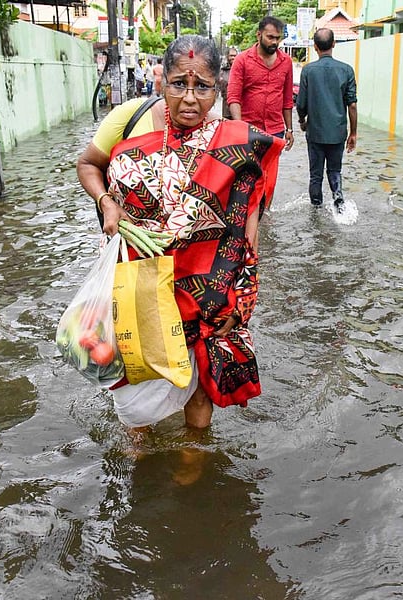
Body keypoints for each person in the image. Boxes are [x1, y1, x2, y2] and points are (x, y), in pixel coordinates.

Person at [77, 35, 285, 429]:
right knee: (135, 367)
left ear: (217, 87)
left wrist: (241, 297)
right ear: (161, 83)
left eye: (202, 87)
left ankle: (194, 460)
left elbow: (247, 229)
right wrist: (108, 203)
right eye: (178, 84)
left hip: (206, 287)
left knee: (201, 378)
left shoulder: (236, 143)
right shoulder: (129, 118)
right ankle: (137, 445)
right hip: (139, 276)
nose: (190, 99)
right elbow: (88, 164)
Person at [296, 28, 357, 211]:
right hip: (338, 133)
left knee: (315, 176)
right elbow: (352, 105)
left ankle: (315, 211)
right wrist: (353, 133)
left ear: (315, 47)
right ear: (333, 44)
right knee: (335, 170)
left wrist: (302, 121)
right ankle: (338, 200)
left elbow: (300, 104)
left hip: (315, 132)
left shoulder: (308, 71)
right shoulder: (347, 70)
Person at [227, 16, 295, 151]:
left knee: (270, 170)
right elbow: (233, 97)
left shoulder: (286, 62)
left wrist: (289, 129)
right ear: (259, 35)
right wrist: (240, 127)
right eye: (270, 37)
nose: (274, 42)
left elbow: (287, 99)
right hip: (249, 129)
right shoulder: (242, 60)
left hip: (275, 130)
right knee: (249, 170)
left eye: (278, 38)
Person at [217, 46, 239, 120]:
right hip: (226, 107)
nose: (233, 57)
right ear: (227, 56)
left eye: (235, 56)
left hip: (239, 107)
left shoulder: (241, 70)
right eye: (231, 55)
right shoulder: (222, 71)